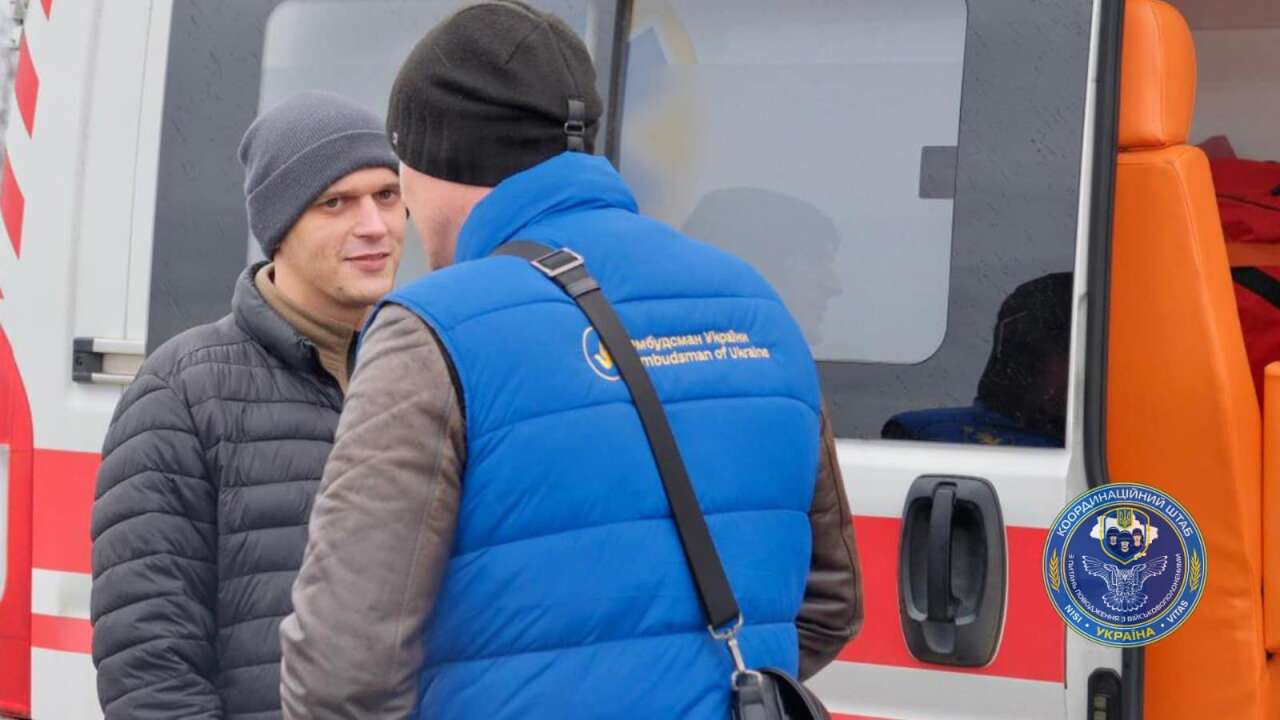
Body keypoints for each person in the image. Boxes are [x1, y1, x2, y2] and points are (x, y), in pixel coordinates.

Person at [280, 3, 861, 717]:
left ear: (433, 160)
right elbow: (829, 603)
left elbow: (341, 670)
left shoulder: (429, 328)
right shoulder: (757, 303)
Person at [89, 91, 404, 720]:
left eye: (387, 195)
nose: (374, 225)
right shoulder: (181, 392)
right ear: (279, 227)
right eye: (336, 202)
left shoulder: (425, 369)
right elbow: (150, 666)